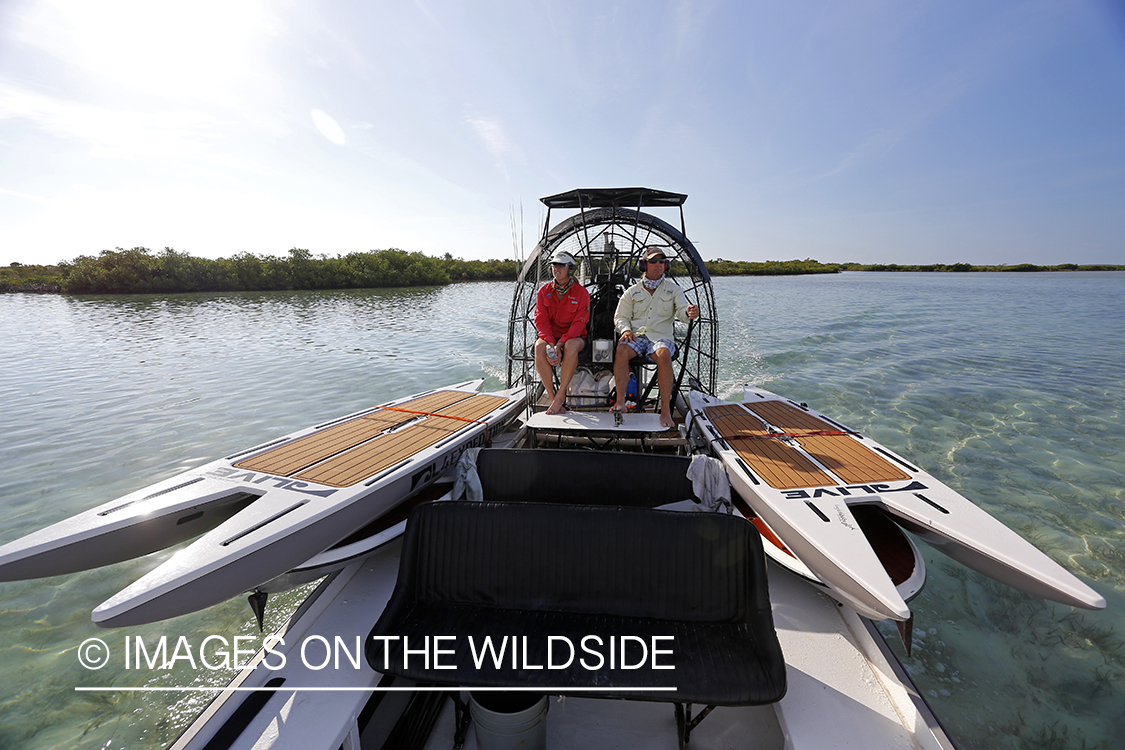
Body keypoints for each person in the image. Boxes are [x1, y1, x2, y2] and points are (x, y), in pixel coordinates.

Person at [611, 247, 699, 428]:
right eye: (653, 261)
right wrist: (626, 330)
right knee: (621, 350)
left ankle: (665, 410)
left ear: (665, 265)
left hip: (661, 337)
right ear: (644, 265)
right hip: (637, 337)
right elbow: (620, 317)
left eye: (661, 261)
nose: (658, 265)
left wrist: (690, 312)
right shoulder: (632, 292)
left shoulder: (674, 290)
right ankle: (620, 402)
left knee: (664, 354)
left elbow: (683, 312)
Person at [534, 250, 591, 414]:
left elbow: (580, 323)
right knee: (539, 347)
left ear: (570, 269)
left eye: (561, 265)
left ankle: (561, 395)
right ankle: (552, 397)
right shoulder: (543, 291)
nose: (556, 268)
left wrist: (560, 344)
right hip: (550, 337)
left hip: (574, 337)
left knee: (571, 346)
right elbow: (541, 319)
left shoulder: (581, 293)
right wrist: (551, 343)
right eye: (554, 265)